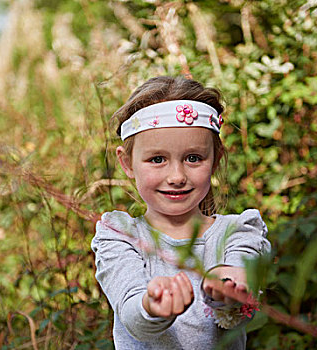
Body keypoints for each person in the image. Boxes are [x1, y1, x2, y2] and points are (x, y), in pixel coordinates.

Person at [91, 76, 271, 349]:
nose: (176, 176)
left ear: (216, 160)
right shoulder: (120, 236)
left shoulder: (239, 232)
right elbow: (132, 316)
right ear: (127, 163)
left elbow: (241, 274)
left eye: (193, 158)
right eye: (157, 159)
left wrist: (229, 287)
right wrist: (152, 305)